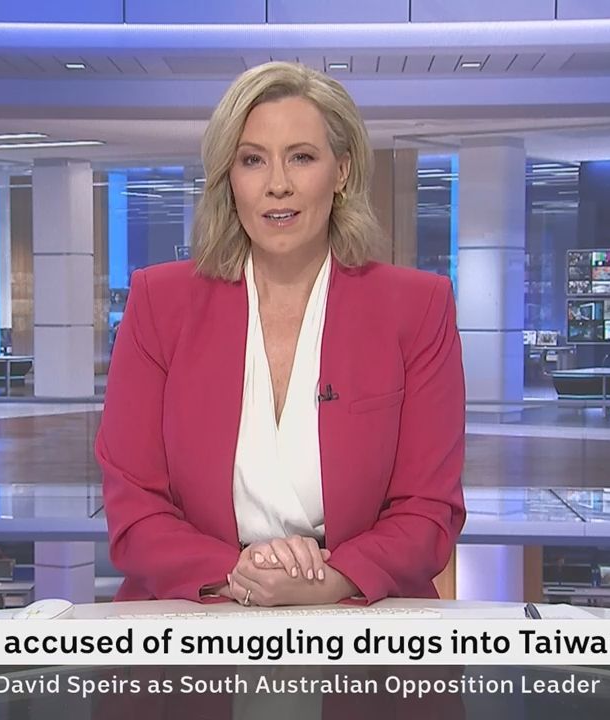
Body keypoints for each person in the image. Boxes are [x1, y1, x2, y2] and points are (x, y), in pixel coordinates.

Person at [97, 62, 465, 607]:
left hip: (358, 615)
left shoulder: (417, 307)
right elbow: (133, 505)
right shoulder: (160, 302)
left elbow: (429, 510)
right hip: (195, 609)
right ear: (229, 177)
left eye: (301, 157)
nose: (277, 185)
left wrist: (332, 579)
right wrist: (237, 574)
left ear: (342, 171)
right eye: (252, 160)